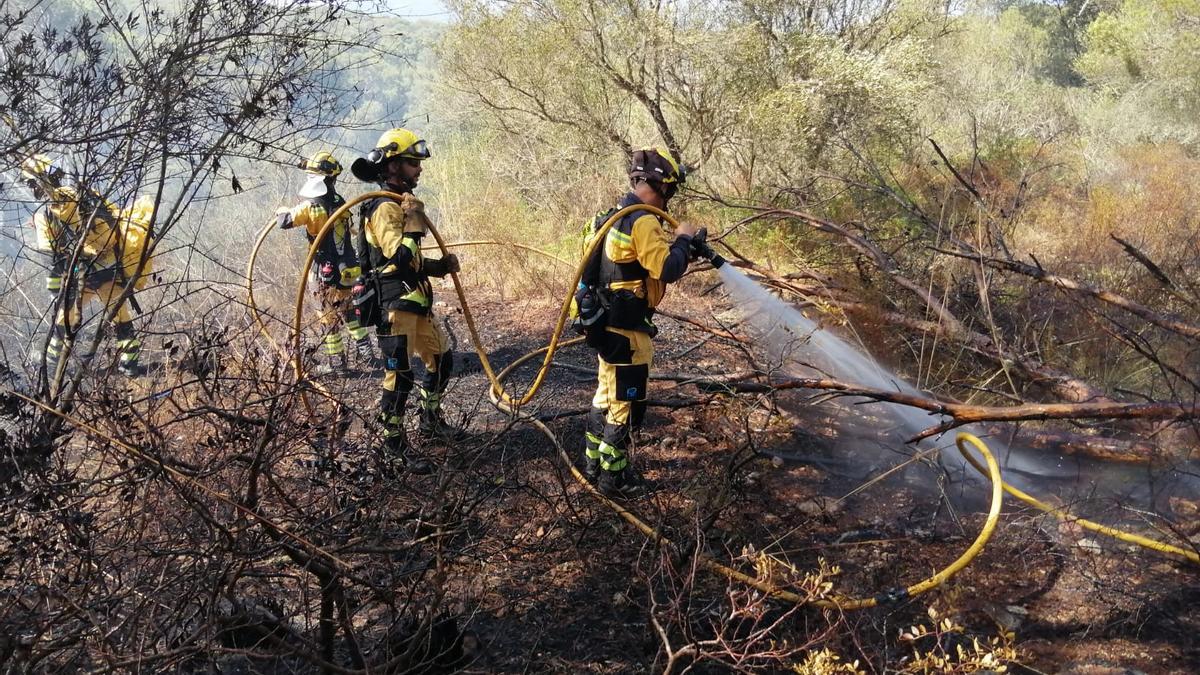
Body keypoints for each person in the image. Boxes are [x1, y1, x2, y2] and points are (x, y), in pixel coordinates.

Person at [579, 147, 697, 499]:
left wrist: (683, 247)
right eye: (670, 190)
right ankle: (614, 478)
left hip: (606, 325)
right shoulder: (643, 220)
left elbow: (627, 265)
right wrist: (684, 239)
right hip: (628, 331)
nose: (669, 198)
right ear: (663, 186)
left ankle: (593, 464)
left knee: (606, 396)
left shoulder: (613, 216)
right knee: (626, 405)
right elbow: (666, 269)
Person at [350, 129, 462, 474]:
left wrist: (438, 267)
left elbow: (410, 261)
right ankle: (393, 446)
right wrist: (414, 225)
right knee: (399, 377)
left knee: (441, 360)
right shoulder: (384, 207)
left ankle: (430, 421)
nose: (419, 169)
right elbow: (398, 258)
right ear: (393, 165)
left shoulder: (399, 203)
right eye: (413, 162)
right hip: (394, 307)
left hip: (416, 303)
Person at [22, 155, 153, 377]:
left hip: (83, 274)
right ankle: (130, 366)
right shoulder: (84, 195)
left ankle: (52, 368)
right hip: (112, 268)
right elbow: (115, 220)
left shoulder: (45, 214)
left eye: (31, 184)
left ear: (37, 184)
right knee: (120, 315)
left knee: (64, 318)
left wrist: (57, 291)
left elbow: (51, 255)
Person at [277, 151, 378, 374]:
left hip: (324, 273)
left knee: (328, 318)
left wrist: (281, 210)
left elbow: (285, 221)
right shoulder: (340, 203)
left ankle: (338, 365)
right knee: (350, 312)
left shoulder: (310, 207)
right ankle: (368, 355)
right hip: (349, 269)